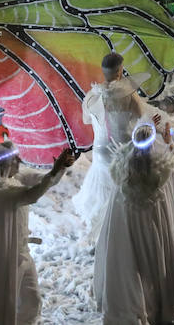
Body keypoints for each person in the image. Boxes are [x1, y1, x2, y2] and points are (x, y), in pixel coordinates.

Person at [92, 121, 174, 324]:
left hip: (129, 223)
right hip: (154, 223)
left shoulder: (122, 167)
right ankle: (156, 307)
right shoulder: (163, 168)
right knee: (154, 261)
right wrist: (168, 143)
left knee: (133, 262)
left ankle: (134, 304)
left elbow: (116, 202)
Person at [0, 142, 77, 325]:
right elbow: (31, 195)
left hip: (22, 252)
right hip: (8, 257)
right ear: (3, 165)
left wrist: (59, 169)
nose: (19, 161)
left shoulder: (16, 179)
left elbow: (41, 180)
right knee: (9, 301)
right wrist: (53, 172)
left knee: (32, 299)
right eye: (14, 159)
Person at [75, 52, 147, 230]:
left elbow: (86, 120)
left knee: (104, 194)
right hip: (122, 149)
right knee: (121, 192)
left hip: (100, 150)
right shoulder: (128, 94)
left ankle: (105, 229)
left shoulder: (92, 95)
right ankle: (120, 229)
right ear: (120, 70)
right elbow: (142, 117)